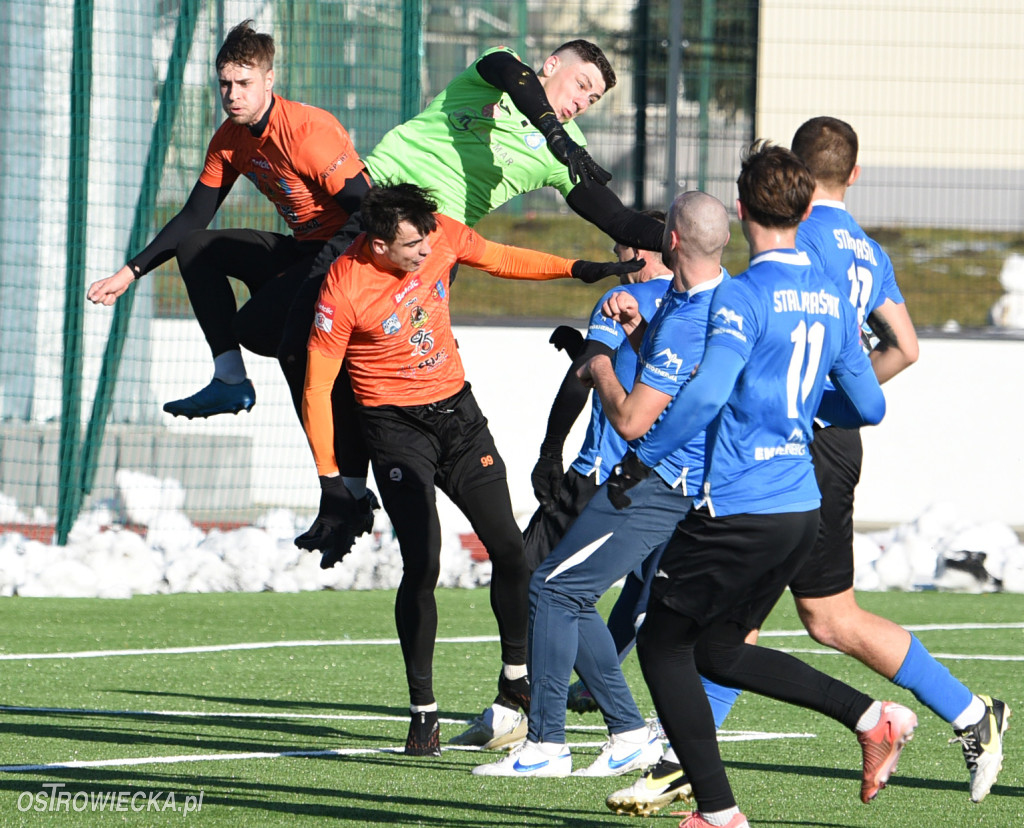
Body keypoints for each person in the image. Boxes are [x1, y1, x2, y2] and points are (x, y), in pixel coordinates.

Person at [673, 116, 1009, 807]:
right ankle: (971, 713)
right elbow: (906, 347)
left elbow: (781, 319)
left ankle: (686, 764)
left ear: (793, 181)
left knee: (743, 613)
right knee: (826, 618)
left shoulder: (802, 238)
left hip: (794, 442)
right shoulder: (865, 248)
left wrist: (806, 399)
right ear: (854, 174)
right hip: (835, 437)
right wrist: (841, 397)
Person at [281, 39, 668, 571]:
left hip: (433, 248)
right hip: (379, 217)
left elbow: (621, 222)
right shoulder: (501, 75)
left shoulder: (568, 151)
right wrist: (553, 131)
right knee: (293, 346)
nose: (582, 102)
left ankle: (365, 490)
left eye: (593, 100)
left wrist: (687, 240)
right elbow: (507, 70)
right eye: (581, 85)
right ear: (551, 65)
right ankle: (343, 485)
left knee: (394, 377)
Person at [614, 141, 911, 828]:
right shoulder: (834, 298)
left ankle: (718, 815)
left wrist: (648, 450)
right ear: (805, 209)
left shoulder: (742, 295)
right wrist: (799, 412)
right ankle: (871, 717)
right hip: (799, 508)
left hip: (739, 509)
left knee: (663, 646)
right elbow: (869, 405)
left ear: (742, 209)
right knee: (716, 648)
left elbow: (707, 394)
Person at [300, 182, 642, 756]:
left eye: (426, 237)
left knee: (510, 552)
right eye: (411, 244)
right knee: (424, 562)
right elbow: (317, 385)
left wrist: (582, 268)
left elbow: (503, 258)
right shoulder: (344, 285)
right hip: (395, 430)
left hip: (459, 419)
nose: (425, 249)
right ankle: (423, 711)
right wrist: (331, 478)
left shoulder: (437, 237)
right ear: (378, 245)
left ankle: (515, 678)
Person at [472, 191, 732, 779]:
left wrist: (599, 366)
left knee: (548, 587)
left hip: (657, 481)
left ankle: (547, 740)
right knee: (563, 589)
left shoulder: (685, 312)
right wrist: (640, 338)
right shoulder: (717, 301)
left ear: (669, 241)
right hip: (668, 479)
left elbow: (632, 417)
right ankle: (624, 730)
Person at [451, 211, 672, 749]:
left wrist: (550, 451)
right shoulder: (702, 304)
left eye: (621, 251)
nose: (619, 262)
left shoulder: (623, 301)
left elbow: (586, 379)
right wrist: (585, 349)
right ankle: (621, 718)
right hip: (669, 480)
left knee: (533, 580)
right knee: (620, 596)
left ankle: (526, 710)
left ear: (637, 252)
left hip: (601, 473)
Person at [86, 19, 370, 423]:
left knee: (257, 327)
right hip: (302, 250)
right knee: (197, 248)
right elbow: (193, 217)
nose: (233, 95)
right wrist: (130, 272)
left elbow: (369, 210)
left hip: (345, 257)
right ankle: (231, 379)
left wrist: (325, 273)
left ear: (269, 79)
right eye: (225, 84)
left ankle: (336, 351)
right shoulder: (229, 140)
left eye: (244, 84)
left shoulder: (306, 134)